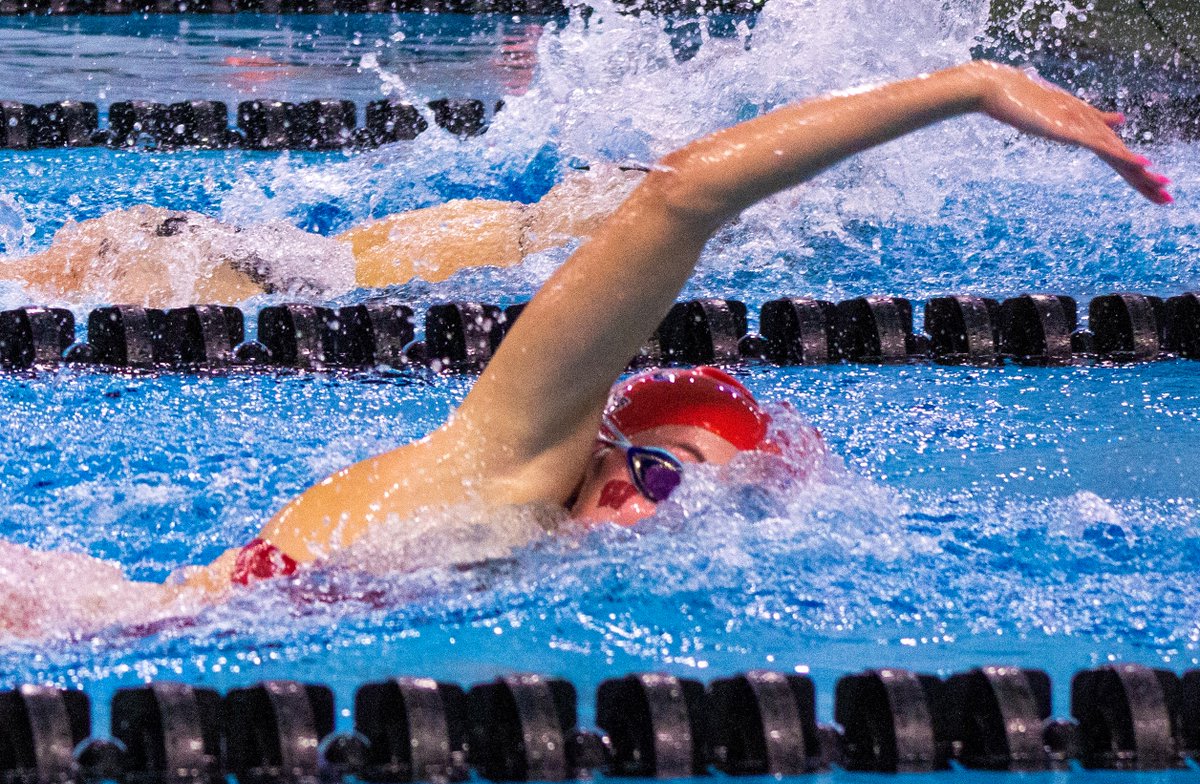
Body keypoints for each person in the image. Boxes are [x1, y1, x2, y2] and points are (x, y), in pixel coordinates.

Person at [171, 60, 1171, 592]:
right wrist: (968, 86)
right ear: (607, 437)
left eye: (689, 503)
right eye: (661, 469)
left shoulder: (514, 545)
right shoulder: (509, 461)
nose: (650, 509)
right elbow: (682, 196)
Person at [0, 164, 643, 306]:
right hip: (239, 252)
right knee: (534, 229)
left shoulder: (81, 275)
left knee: (536, 233)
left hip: (213, 263)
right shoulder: (70, 257)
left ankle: (642, 198)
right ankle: (633, 193)